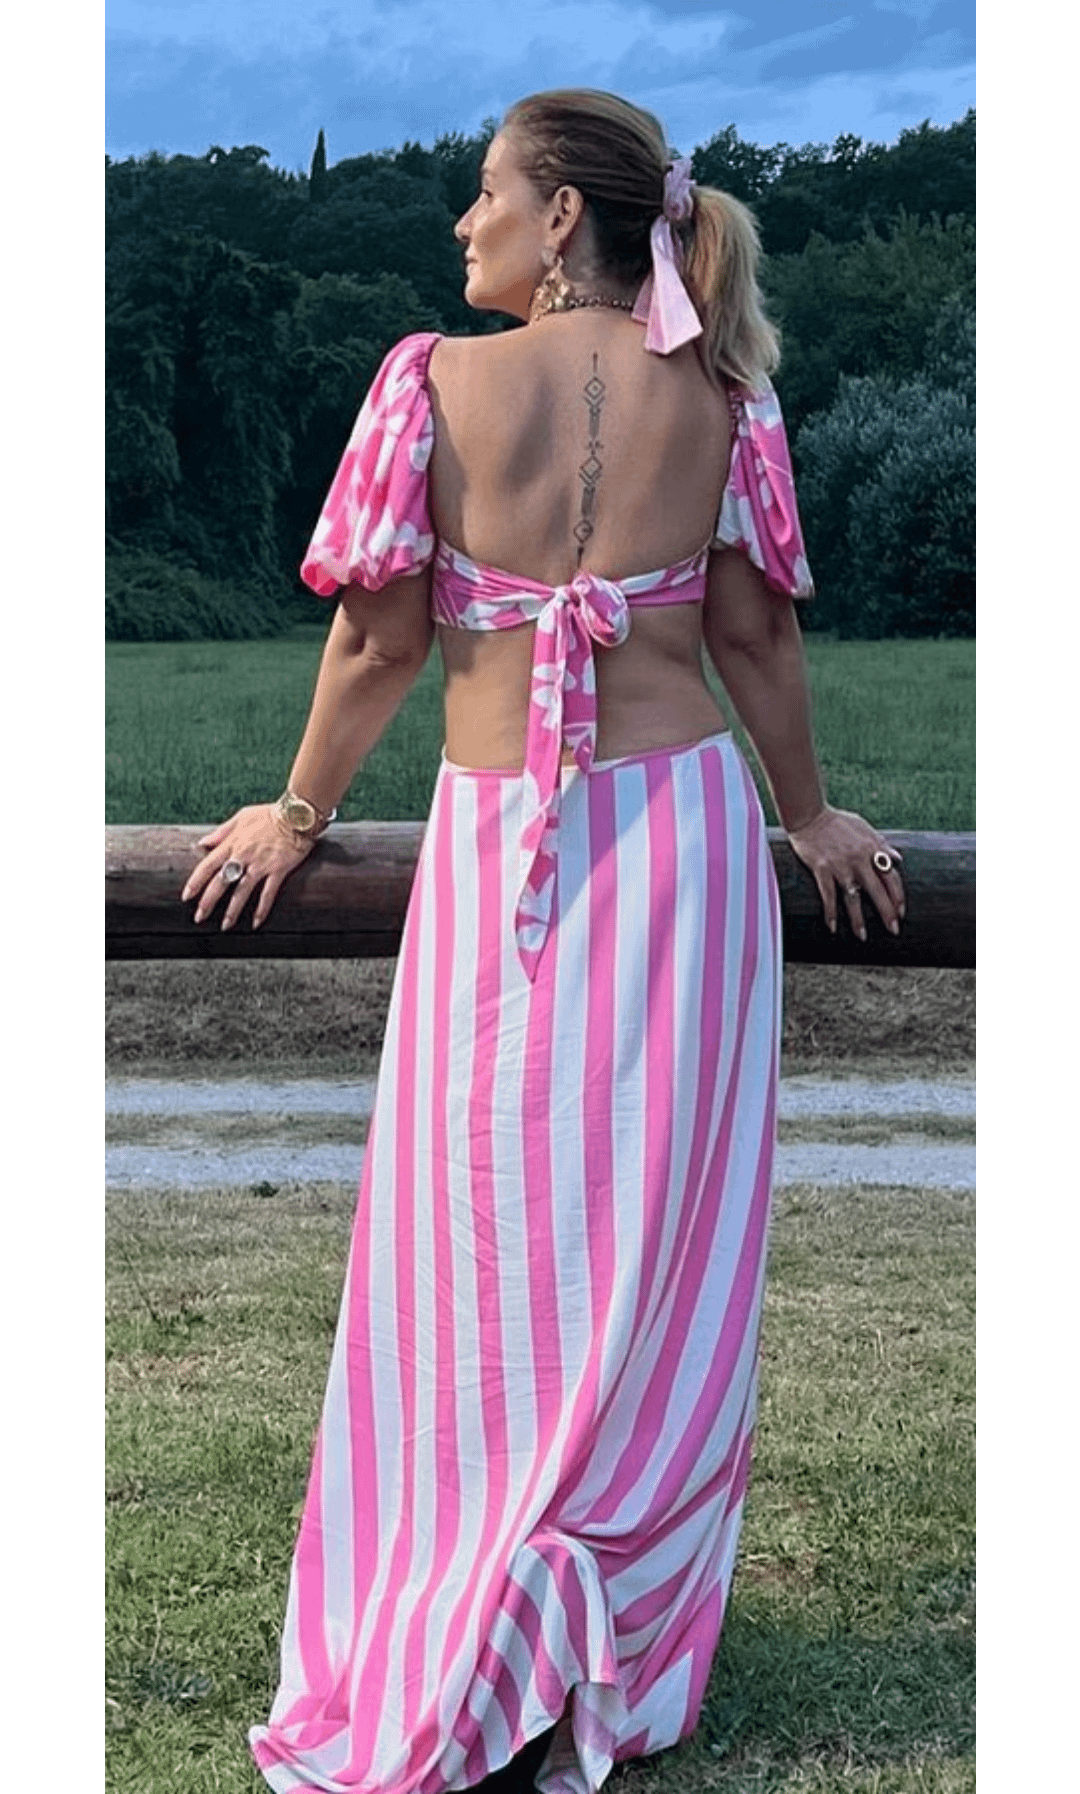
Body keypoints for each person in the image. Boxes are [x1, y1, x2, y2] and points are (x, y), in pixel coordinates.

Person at [182, 89, 904, 1794]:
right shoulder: (727, 394)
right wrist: (809, 816)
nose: (465, 222)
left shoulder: (429, 382)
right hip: (690, 855)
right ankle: (606, 1622)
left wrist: (296, 807)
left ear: (562, 214)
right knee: (652, 1256)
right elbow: (755, 639)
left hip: (501, 848)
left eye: (486, 192)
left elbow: (378, 646)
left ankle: (467, 1593)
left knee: (473, 1244)